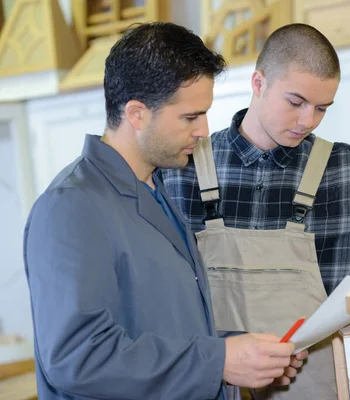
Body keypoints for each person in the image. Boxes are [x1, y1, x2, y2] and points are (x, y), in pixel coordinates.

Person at [160, 23, 350, 399]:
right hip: (211, 387)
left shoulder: (346, 171)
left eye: (321, 108)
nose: (308, 120)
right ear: (258, 83)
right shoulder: (181, 167)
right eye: (295, 102)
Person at [23, 22, 307, 400]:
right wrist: (218, 361)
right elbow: (78, 357)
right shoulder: (71, 207)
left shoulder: (157, 191)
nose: (203, 131)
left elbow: (167, 332)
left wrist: (246, 356)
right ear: (137, 114)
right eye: (190, 117)